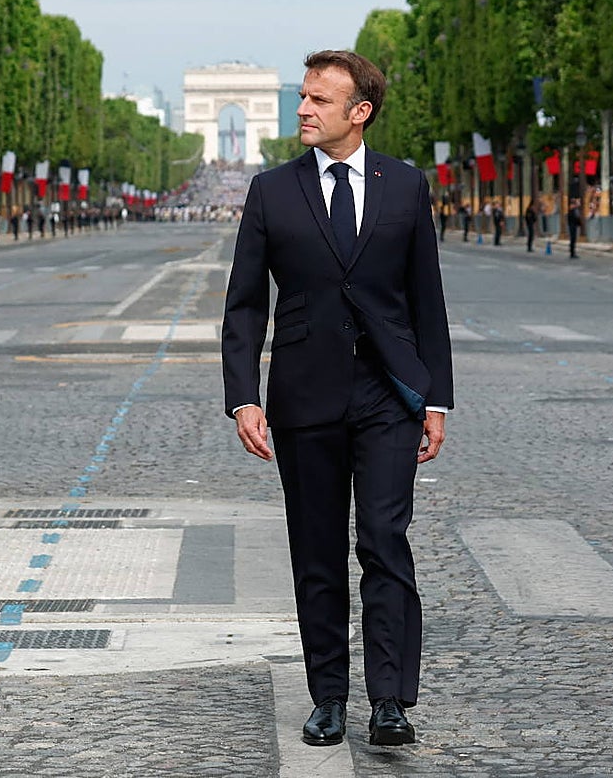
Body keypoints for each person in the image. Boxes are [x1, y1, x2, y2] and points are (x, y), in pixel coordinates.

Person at [222, 50, 453, 749]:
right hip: (303, 394)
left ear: (361, 111)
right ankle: (328, 698)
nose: (303, 109)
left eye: (320, 100)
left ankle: (388, 701)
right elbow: (242, 307)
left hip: (388, 392)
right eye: (301, 96)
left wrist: (436, 398)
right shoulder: (269, 190)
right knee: (315, 552)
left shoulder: (406, 186)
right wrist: (243, 398)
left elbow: (427, 301)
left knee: (385, 543)